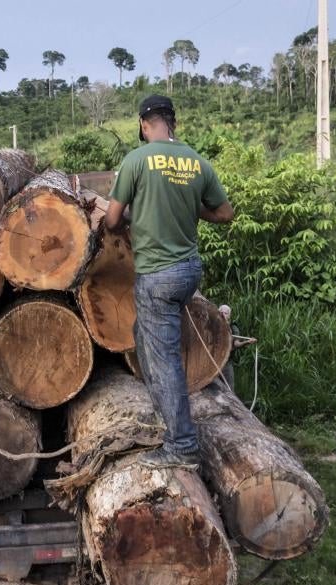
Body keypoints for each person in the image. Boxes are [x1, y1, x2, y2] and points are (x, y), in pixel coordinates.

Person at [105, 95, 235, 470]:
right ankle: (166, 417)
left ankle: (181, 446)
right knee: (144, 340)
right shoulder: (196, 161)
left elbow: (112, 221)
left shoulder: (137, 160)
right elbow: (225, 213)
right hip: (188, 269)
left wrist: (135, 211)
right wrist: (190, 204)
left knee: (164, 361)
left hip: (158, 275)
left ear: (145, 125)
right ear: (172, 123)